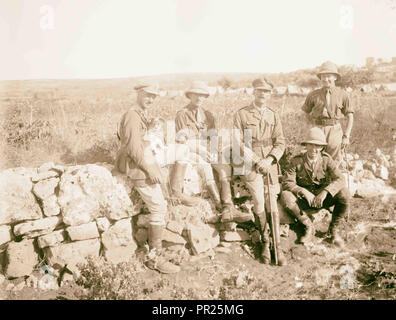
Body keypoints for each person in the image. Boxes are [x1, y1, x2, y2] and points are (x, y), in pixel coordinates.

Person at [114, 83, 180, 274]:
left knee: (160, 204)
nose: (150, 99)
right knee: (158, 207)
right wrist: (149, 169)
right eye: (147, 95)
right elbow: (134, 149)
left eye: (154, 97)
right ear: (138, 93)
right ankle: (154, 258)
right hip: (135, 166)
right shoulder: (132, 116)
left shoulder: (139, 114)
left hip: (142, 160)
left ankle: (156, 252)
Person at [175, 81, 252, 223]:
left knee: (224, 168)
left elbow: (213, 137)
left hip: (208, 150)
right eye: (196, 95)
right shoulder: (182, 115)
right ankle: (219, 205)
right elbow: (183, 141)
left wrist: (214, 151)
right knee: (205, 166)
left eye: (203, 96)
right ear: (190, 95)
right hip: (191, 151)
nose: (199, 98)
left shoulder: (208, 115)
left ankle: (228, 207)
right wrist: (201, 152)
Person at [233, 78, 287, 266]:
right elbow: (238, 143)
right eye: (259, 91)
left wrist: (270, 159)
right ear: (253, 92)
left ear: (270, 94)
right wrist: (258, 161)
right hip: (251, 164)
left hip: (270, 164)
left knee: (273, 201)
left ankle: (278, 246)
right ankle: (265, 242)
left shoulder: (273, 115)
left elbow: (280, 142)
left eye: (266, 91)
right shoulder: (242, 114)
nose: (262, 94)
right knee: (259, 201)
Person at [280, 127, 350, 247]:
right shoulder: (297, 161)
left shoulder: (326, 160)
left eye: (318, 146)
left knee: (345, 193)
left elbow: (341, 179)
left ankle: (333, 231)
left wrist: (325, 192)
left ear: (322, 147)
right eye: (311, 145)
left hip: (322, 200)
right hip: (303, 201)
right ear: (305, 145)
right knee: (285, 196)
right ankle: (308, 226)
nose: (314, 149)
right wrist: (303, 191)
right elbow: (287, 182)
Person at [301, 61, 354, 167]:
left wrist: (346, 136)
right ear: (320, 78)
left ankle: (330, 181)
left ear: (335, 77)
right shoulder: (313, 95)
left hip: (334, 129)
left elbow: (350, 116)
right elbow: (305, 113)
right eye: (323, 76)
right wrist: (310, 127)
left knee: (333, 160)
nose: (326, 79)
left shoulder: (343, 95)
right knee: (315, 157)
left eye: (329, 76)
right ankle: (317, 181)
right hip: (317, 128)